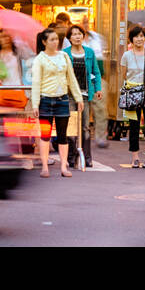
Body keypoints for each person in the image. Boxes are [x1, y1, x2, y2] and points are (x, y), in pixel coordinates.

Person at [28, 27, 83, 178]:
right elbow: (36, 83)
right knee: (45, 135)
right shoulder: (40, 59)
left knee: (63, 135)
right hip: (45, 100)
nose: (55, 42)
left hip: (62, 99)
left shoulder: (64, 56)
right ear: (44, 42)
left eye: (56, 39)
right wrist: (35, 104)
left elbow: (71, 79)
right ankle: (45, 166)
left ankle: (64, 166)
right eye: (51, 40)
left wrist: (78, 98)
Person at [120, 24, 145, 168]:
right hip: (132, 93)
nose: (139, 39)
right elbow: (124, 74)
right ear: (131, 39)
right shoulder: (126, 55)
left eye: (142, 36)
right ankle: (135, 157)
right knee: (134, 126)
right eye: (136, 36)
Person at [63, 25, 101, 169]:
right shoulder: (64, 53)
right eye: (74, 34)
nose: (77, 37)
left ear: (83, 36)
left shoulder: (89, 52)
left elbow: (96, 72)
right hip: (70, 95)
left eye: (79, 34)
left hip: (85, 95)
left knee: (85, 127)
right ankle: (71, 157)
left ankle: (87, 157)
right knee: (71, 127)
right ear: (69, 38)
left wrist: (98, 89)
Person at [82, 24, 110, 147]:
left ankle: (100, 137)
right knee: (83, 110)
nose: (85, 23)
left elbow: (103, 57)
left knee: (101, 110)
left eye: (86, 21)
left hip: (98, 80)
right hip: (81, 80)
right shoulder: (72, 39)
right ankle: (83, 137)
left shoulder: (97, 38)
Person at [0, 32, 24, 107]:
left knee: (17, 116)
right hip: (2, 89)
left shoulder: (17, 52)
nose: (6, 39)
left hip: (17, 88)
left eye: (8, 36)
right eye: (3, 37)